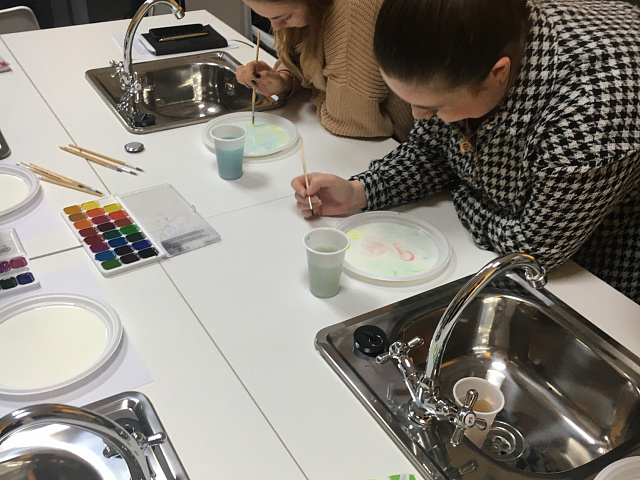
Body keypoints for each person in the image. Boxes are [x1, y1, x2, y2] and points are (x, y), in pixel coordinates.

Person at [291, 0, 640, 303]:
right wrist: (361, 191)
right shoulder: (467, 43)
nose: (417, 117)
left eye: (435, 107)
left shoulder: (590, 112)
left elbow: (532, 249)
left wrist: (459, 186)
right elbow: (433, 151)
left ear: (498, 74)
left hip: (602, 271)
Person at [235, 0, 414, 142]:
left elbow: (352, 121)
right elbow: (304, 57)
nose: (275, 27)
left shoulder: (354, 11)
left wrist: (319, 90)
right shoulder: (310, 10)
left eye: (286, 17)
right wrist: (284, 80)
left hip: (403, 145)